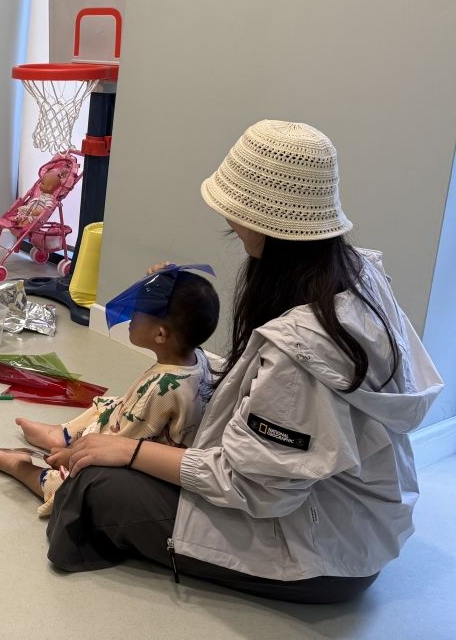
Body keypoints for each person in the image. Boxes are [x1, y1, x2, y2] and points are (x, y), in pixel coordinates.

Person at [46, 120, 443, 604]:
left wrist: (127, 453)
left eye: (231, 210)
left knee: (96, 485)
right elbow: (259, 388)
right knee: (131, 429)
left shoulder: (303, 350)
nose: (227, 221)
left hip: (319, 557)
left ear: (257, 218)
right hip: (356, 526)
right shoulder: (352, 273)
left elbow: (254, 488)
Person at [0, 267, 219, 516]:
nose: (131, 316)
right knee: (109, 404)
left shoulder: (159, 391)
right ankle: (61, 434)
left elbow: (118, 445)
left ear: (160, 334)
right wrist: (163, 278)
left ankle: (19, 466)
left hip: (139, 463)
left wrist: (71, 456)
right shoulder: (197, 358)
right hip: (149, 441)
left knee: (67, 488)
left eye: (137, 312)